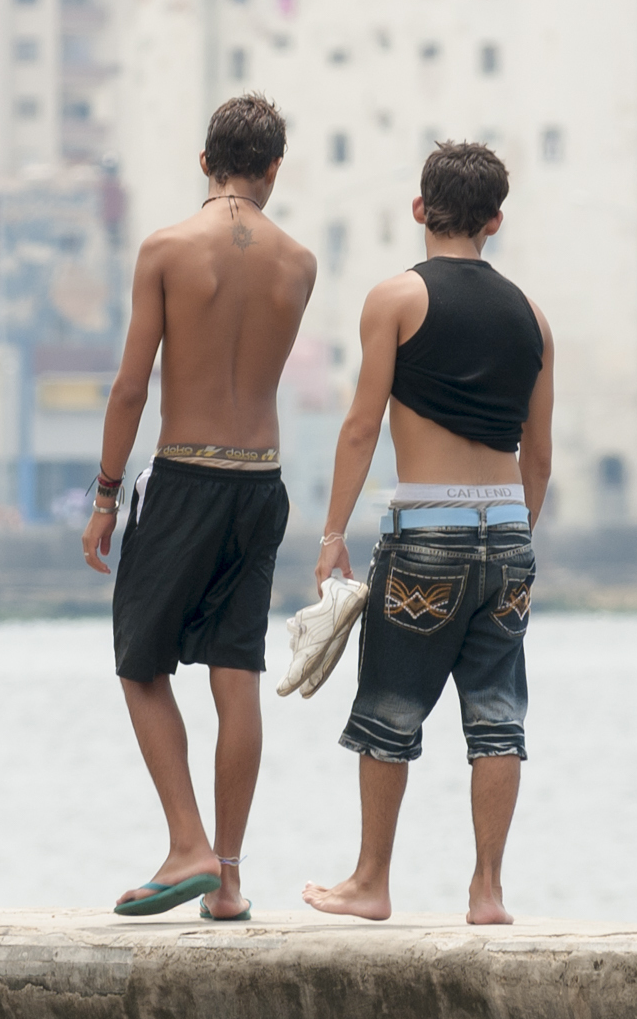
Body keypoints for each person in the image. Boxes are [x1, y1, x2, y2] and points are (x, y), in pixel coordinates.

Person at [303, 140, 556, 926]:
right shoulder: (534, 318)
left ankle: (372, 881)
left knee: (389, 705)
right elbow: (539, 454)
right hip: (509, 532)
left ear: (420, 210)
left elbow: (359, 426)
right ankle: (487, 891)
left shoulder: (395, 299)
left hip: (426, 536)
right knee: (497, 715)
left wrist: (331, 532)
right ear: (495, 221)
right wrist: (511, 540)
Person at [82, 93, 315, 922]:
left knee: (139, 660)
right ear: (273, 170)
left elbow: (130, 385)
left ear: (205, 160)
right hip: (262, 481)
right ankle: (227, 877)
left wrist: (107, 495)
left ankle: (185, 840)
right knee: (236, 671)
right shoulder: (299, 262)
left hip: (184, 474)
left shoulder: (169, 248)